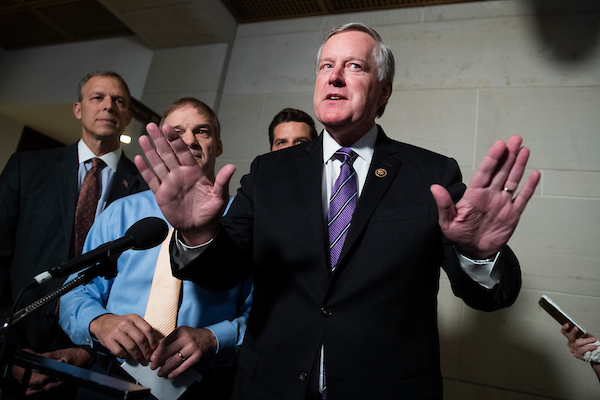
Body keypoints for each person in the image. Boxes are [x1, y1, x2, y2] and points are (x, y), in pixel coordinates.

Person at [134, 23, 541, 399]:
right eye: (326, 65)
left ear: (383, 90)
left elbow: (489, 298)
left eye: (354, 66)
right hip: (269, 387)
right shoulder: (268, 172)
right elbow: (223, 273)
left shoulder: (431, 174)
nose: (334, 75)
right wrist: (198, 232)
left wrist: (478, 254)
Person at [59, 98, 253, 400]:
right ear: (161, 145)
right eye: (177, 132)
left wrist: (213, 337)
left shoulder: (244, 221)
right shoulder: (119, 213)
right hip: (109, 380)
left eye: (202, 131)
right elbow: (75, 290)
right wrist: (100, 322)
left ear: (217, 146)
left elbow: (264, 311)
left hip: (201, 387)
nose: (190, 140)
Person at [0, 71, 148, 397]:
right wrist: (9, 348)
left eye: (118, 101)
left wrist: (89, 350)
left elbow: (141, 284)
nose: (108, 106)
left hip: (91, 359)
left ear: (127, 117)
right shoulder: (27, 168)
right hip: (14, 341)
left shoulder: (147, 191)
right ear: (78, 109)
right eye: (97, 97)